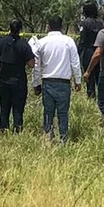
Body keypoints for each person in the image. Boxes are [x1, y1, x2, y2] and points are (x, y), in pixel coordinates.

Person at [32, 15, 82, 144]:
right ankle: (63, 139)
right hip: (64, 83)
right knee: (63, 113)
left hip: (47, 82)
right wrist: (78, 80)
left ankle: (48, 138)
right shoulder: (68, 41)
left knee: (48, 112)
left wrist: (36, 83)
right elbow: (75, 63)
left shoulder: (42, 42)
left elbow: (37, 66)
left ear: (48, 26)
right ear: (62, 26)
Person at [0, 20, 36, 133]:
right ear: (20, 30)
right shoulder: (24, 44)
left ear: (9, 28)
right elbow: (31, 64)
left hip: (3, 82)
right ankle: (17, 131)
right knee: (18, 110)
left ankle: (3, 131)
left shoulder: (0, 43)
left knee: (4, 109)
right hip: (19, 82)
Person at [77, 1, 104, 100]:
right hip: (100, 51)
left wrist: (78, 52)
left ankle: (91, 96)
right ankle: (101, 97)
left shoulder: (85, 23)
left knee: (89, 76)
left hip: (88, 51)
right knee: (99, 76)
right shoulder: (101, 22)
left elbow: (83, 40)